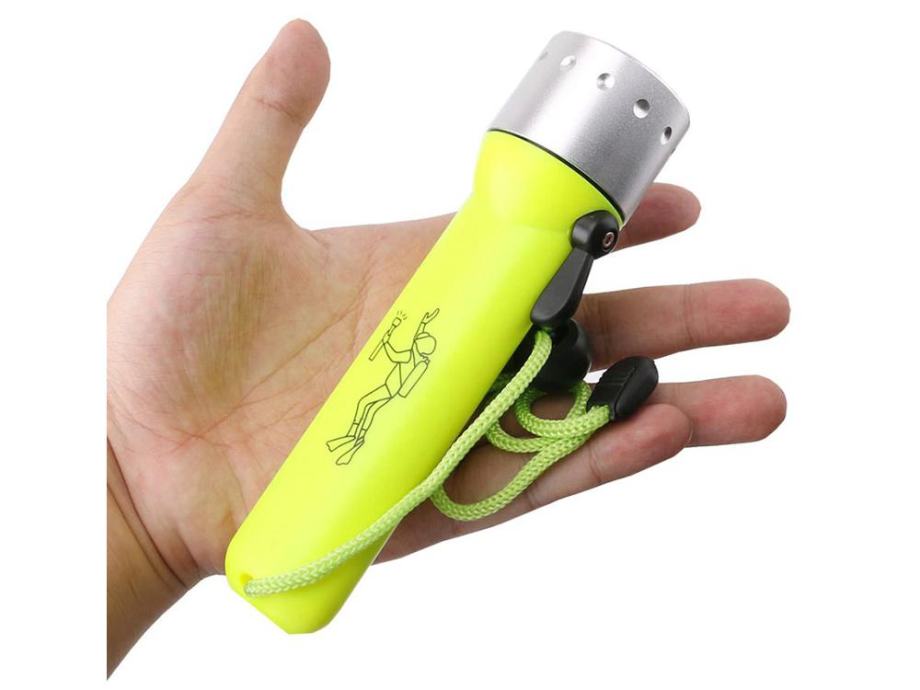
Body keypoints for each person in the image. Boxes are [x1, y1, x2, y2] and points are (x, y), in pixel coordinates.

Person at [106, 20, 789, 674]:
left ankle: (284, 571)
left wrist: (133, 511)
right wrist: (129, 499)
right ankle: (282, 570)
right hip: (273, 545)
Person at [326, 309, 439, 464]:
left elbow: (393, 355)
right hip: (391, 390)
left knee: (365, 404)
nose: (416, 341)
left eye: (419, 341)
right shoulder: (419, 357)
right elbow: (416, 338)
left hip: (389, 389)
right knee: (369, 409)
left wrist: (386, 341)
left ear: (420, 346)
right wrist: (423, 323)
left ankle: (354, 437)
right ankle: (354, 437)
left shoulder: (410, 357)